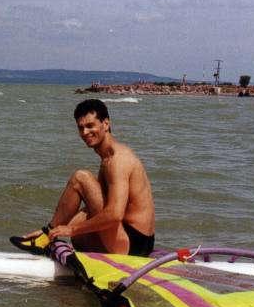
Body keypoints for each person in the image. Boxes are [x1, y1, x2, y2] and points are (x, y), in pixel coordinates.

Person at [11, 99, 155, 256]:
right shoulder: (107, 158)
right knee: (77, 231)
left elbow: (115, 214)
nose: (85, 132)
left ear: (106, 124)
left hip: (133, 243)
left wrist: (71, 229)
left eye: (90, 126)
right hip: (134, 241)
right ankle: (46, 234)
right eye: (81, 128)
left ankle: (45, 237)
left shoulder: (118, 160)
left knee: (81, 178)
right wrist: (70, 227)